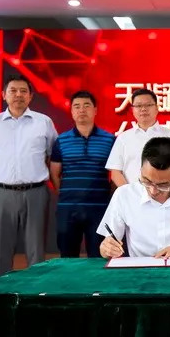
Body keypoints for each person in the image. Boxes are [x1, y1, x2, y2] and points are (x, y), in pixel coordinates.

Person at [0, 75, 58, 276]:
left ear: (31, 96)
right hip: (2, 194)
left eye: (23, 91)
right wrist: (5, 178)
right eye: (13, 91)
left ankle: (35, 292)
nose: (18, 95)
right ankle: (0, 292)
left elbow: (52, 155)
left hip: (35, 193)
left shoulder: (44, 122)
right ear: (4, 95)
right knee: (1, 251)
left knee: (36, 251)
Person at [98, 137, 170, 258]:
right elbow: (107, 245)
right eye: (146, 181)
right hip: (141, 268)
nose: (153, 191)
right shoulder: (124, 195)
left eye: (163, 185)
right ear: (140, 169)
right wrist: (106, 249)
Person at [49, 91, 115, 258]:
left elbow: (115, 173)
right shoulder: (62, 140)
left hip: (99, 208)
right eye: (77, 106)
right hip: (68, 208)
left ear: (95, 110)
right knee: (67, 256)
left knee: (99, 256)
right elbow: (54, 173)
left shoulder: (109, 140)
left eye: (87, 105)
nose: (82, 110)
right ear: (71, 111)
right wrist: (65, 194)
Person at [106, 88, 170, 188]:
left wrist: (162, 190)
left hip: (164, 193)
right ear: (132, 110)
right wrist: (129, 193)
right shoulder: (123, 138)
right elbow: (115, 172)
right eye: (138, 105)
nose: (143, 109)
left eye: (148, 105)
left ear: (157, 108)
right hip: (131, 195)